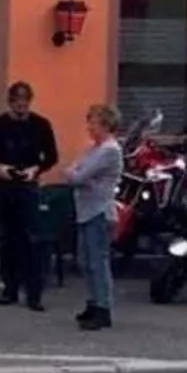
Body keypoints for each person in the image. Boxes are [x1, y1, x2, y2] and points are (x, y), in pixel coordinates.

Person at [0, 81, 59, 312]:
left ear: (29, 102)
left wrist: (36, 169)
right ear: (10, 102)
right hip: (3, 185)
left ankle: (34, 293)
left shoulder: (41, 125)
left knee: (31, 239)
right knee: (6, 239)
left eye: (24, 103)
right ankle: (9, 288)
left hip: (28, 187)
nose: (21, 107)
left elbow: (51, 156)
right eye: (16, 103)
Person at [65, 104, 127, 331]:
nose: (89, 127)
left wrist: (80, 177)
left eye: (92, 122)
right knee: (85, 261)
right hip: (86, 211)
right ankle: (93, 301)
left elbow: (80, 176)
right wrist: (78, 176)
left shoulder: (110, 150)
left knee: (98, 262)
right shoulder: (93, 148)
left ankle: (103, 307)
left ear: (105, 125)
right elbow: (72, 171)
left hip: (99, 212)